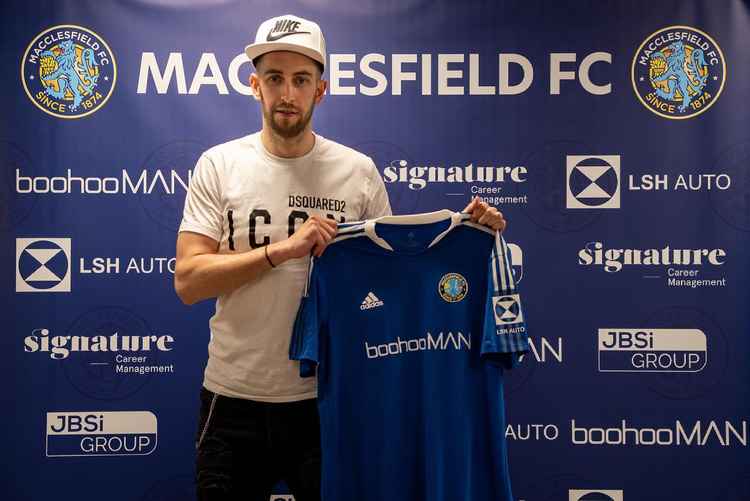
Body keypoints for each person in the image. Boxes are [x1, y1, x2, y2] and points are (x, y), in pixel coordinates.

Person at [174, 14, 507, 501]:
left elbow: (396, 280)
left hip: (329, 400)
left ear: (321, 90)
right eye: (274, 78)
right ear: (254, 85)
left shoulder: (357, 171)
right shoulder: (220, 164)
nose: (287, 92)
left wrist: (472, 235)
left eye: (301, 79)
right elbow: (189, 280)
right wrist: (283, 251)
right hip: (233, 399)